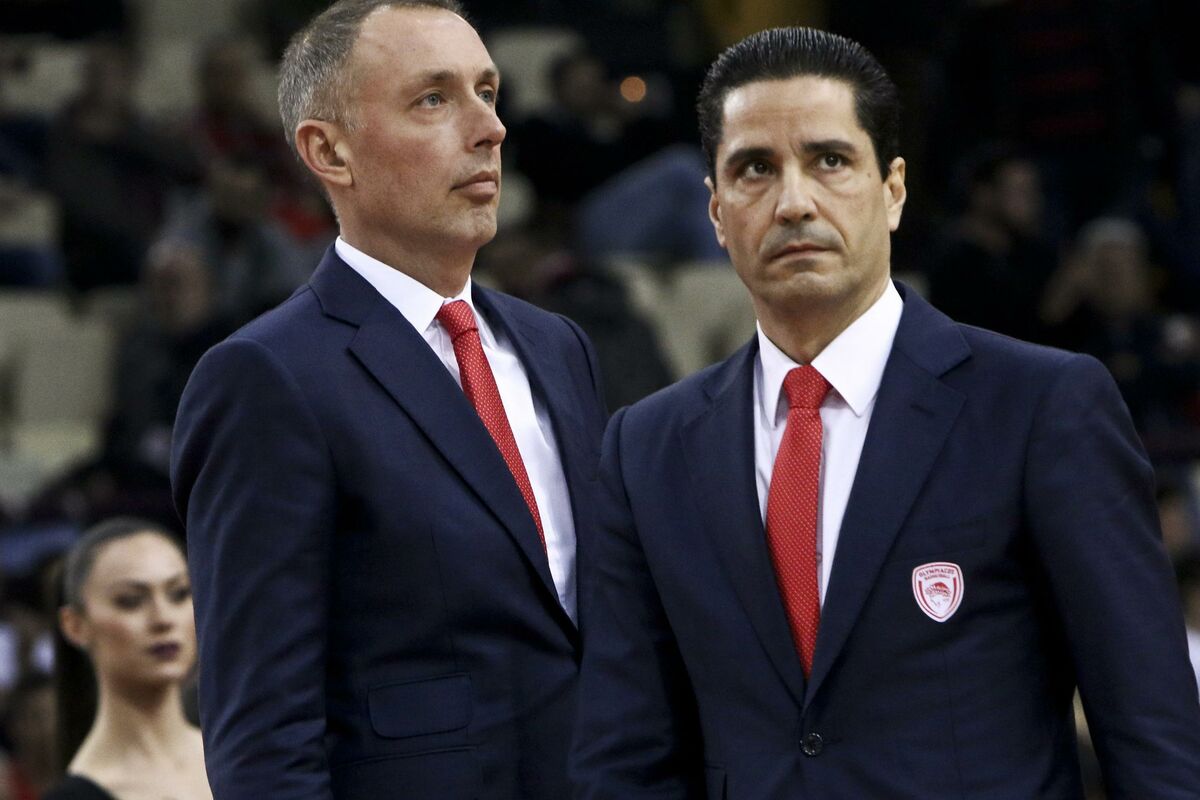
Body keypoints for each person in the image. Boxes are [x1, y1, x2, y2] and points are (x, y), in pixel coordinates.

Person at [570, 26, 1200, 799]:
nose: (794, 202)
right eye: (755, 169)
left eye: (829, 161)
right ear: (717, 212)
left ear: (893, 190)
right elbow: (625, 758)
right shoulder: (647, 447)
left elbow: (1152, 736)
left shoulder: (1042, 406)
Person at [170, 2, 607, 799]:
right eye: (433, 98)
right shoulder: (265, 378)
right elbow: (265, 742)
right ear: (329, 151)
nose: (490, 129)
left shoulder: (559, 348)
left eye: (488, 91)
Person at [44, 517, 209, 800]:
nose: (163, 618)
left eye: (179, 594)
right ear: (75, 625)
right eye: (130, 600)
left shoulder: (244, 755)